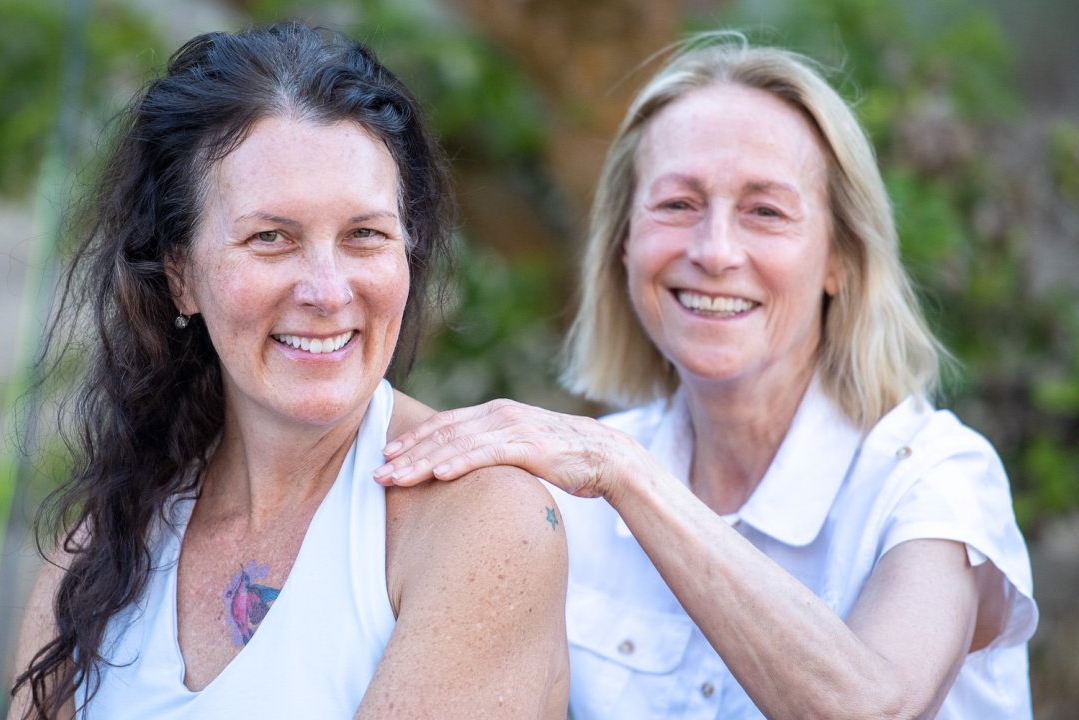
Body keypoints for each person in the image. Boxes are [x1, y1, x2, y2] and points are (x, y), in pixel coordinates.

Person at [376, 34, 1036, 719]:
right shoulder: (568, 498)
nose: (715, 251)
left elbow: (874, 708)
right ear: (624, 244)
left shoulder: (933, 479)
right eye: (678, 205)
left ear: (839, 258)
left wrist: (626, 476)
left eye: (765, 211)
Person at [6, 21, 568, 720]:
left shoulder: (482, 522)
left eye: (365, 235)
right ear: (180, 275)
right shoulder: (113, 534)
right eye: (271, 238)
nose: (328, 292)